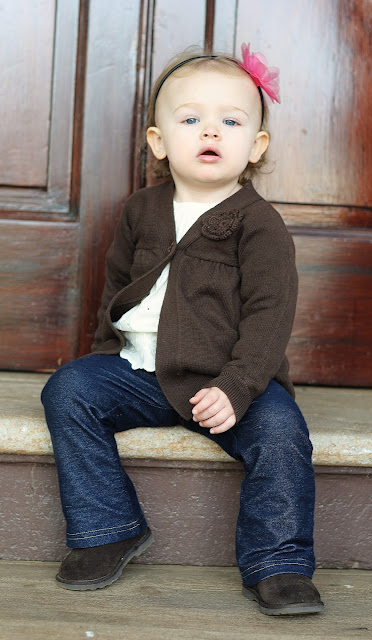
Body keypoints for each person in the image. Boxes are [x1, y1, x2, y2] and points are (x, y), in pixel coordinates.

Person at [41, 43, 324, 616]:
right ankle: (108, 528)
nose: (210, 131)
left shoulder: (259, 224)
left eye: (230, 121)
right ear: (159, 141)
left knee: (281, 431)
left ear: (256, 146)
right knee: (68, 390)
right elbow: (117, 287)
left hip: (229, 383)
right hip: (140, 374)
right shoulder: (141, 210)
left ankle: (280, 563)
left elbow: (270, 315)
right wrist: (104, 356)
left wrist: (238, 386)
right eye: (191, 119)